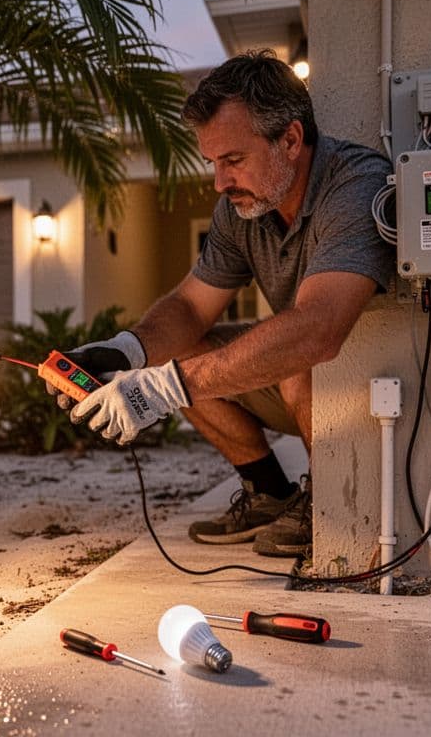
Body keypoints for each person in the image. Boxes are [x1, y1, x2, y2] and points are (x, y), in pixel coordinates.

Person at [58, 50, 394, 557]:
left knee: (294, 356)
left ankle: (329, 501)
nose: (219, 183)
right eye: (213, 162)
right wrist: (125, 352)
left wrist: (162, 391)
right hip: (303, 389)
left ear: (291, 140)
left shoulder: (355, 184)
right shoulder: (239, 209)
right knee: (177, 350)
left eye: (233, 160)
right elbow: (191, 308)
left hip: (375, 391)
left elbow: (319, 329)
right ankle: (270, 495)